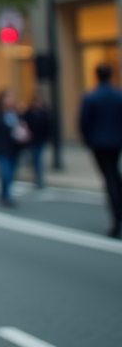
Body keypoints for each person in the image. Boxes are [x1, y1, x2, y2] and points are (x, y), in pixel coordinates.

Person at [78, 63, 122, 239]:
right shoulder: (118, 95)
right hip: (117, 142)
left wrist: (88, 141)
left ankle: (117, 215)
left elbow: (83, 122)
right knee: (114, 174)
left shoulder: (91, 97)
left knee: (109, 177)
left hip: (99, 143)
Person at [0, 89, 29, 207]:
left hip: (14, 148)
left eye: (12, 98)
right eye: (7, 97)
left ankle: (3, 194)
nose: (10, 100)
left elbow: (22, 127)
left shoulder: (16, 113)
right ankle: (7, 197)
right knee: (5, 172)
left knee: (11, 174)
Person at [23, 94, 53, 189]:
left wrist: (48, 137)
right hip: (31, 141)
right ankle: (38, 179)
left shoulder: (44, 113)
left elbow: (49, 126)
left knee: (38, 160)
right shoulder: (28, 114)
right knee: (35, 160)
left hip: (41, 140)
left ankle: (39, 179)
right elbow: (23, 125)